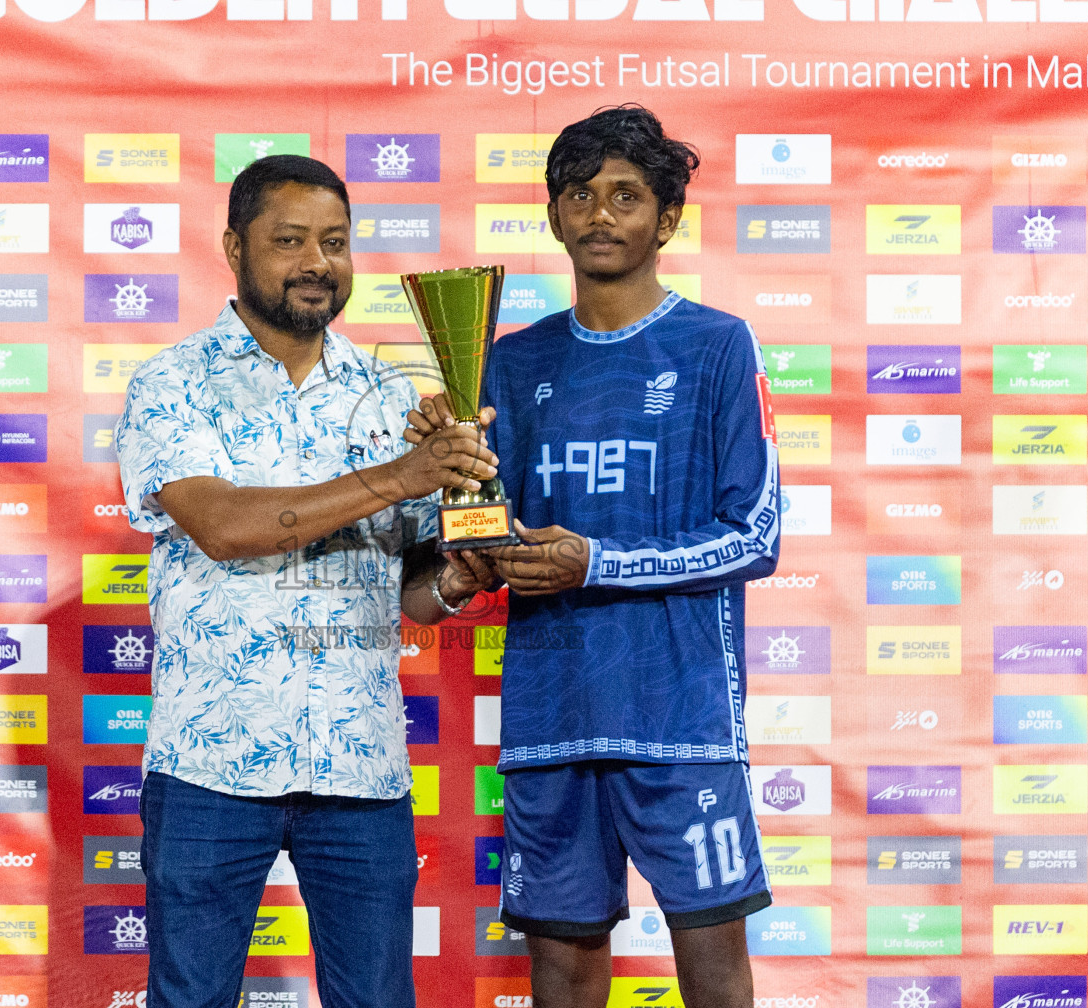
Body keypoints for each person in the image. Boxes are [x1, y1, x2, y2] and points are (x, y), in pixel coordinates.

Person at [406, 106, 781, 1008]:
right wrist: (467, 550)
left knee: (715, 967)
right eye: (581, 194)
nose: (601, 214)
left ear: (666, 218)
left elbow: (757, 535)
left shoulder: (717, 345)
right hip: (551, 717)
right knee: (563, 971)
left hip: (681, 716)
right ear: (554, 215)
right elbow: (482, 534)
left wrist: (595, 562)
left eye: (626, 195)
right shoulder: (505, 359)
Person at [115, 154, 498, 1008]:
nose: (316, 263)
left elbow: (406, 591)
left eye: (334, 242)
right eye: (289, 241)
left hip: (360, 770)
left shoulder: (389, 392)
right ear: (233, 247)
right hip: (212, 764)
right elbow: (222, 526)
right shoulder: (173, 383)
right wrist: (401, 477)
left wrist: (460, 575)